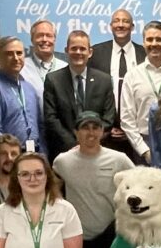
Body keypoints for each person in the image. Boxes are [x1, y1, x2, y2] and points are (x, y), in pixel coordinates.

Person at [54, 112, 133, 248]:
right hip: (79, 238)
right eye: (85, 128)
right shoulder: (62, 161)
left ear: (103, 131)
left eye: (95, 127)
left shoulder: (119, 159)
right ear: (75, 132)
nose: (91, 133)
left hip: (110, 236)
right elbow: (53, 185)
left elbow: (138, 183)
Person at [43, 30, 115, 162]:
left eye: (82, 49)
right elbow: (51, 118)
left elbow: (109, 118)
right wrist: (74, 144)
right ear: (66, 50)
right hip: (65, 152)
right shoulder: (53, 80)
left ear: (90, 52)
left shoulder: (104, 80)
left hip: (98, 151)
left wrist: (90, 141)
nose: (78, 52)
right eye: (74, 48)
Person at [120, 21, 161, 164]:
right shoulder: (132, 76)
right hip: (143, 144)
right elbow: (127, 119)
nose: (154, 44)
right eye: (149, 39)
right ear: (143, 43)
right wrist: (144, 150)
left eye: (159, 39)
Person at [0, 36, 42, 155]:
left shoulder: (29, 88)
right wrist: (8, 156)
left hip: (34, 153)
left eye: (19, 53)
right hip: (10, 157)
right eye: (9, 54)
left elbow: (40, 126)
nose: (16, 58)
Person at [90, 9, 146, 108]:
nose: (120, 25)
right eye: (116, 21)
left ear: (132, 27)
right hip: (104, 119)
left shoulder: (144, 54)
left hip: (136, 117)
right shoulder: (96, 52)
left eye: (125, 21)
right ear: (111, 26)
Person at [20, 19, 68, 93]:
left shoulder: (65, 68)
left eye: (49, 35)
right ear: (32, 40)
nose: (45, 39)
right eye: (40, 35)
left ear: (54, 39)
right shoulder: (21, 68)